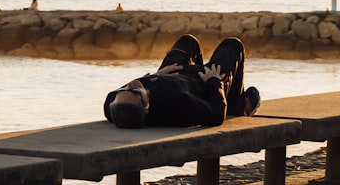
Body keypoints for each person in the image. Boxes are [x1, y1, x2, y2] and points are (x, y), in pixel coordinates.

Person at [103, 34, 261, 129]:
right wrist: (214, 82)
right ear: (147, 107)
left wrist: (155, 75)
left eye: (122, 91)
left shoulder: (114, 108)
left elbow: (120, 93)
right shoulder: (181, 103)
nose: (130, 85)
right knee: (232, 45)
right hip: (203, 81)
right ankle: (238, 105)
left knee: (187, 41)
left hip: (168, 73)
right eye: (135, 92)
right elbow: (217, 115)